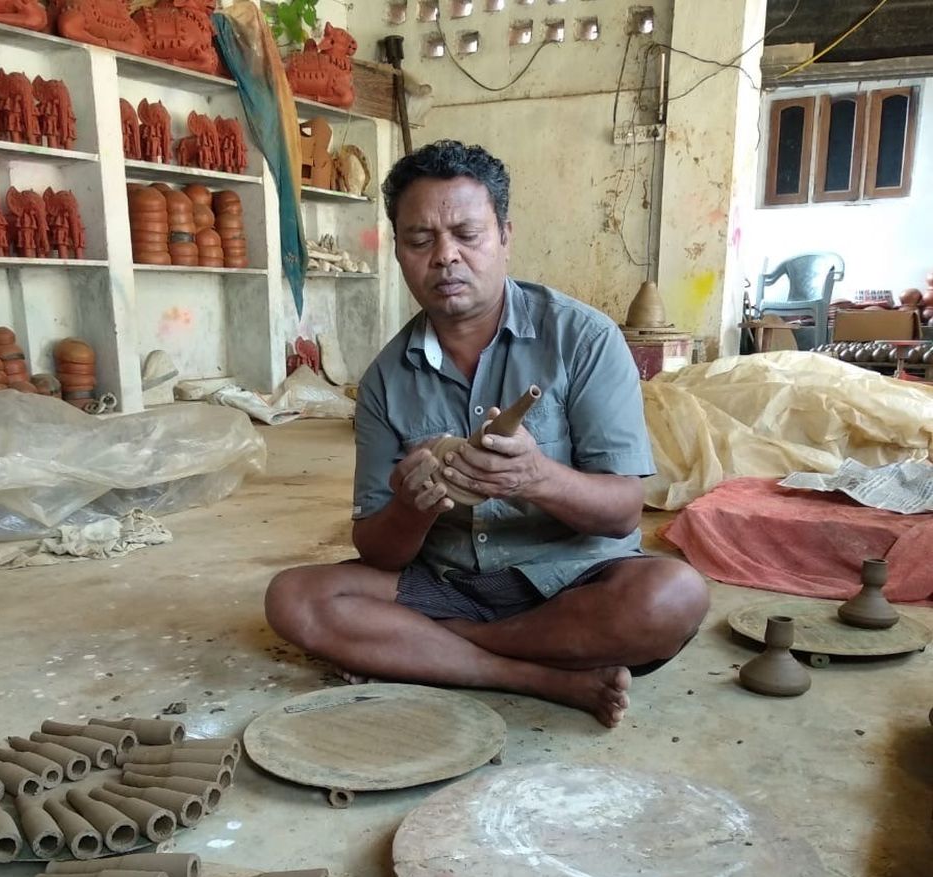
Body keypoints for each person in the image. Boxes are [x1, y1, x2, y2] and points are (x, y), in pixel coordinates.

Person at [266, 140, 708, 727]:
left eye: (467, 235)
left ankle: (437, 649)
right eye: (420, 240)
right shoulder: (384, 381)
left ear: (504, 235)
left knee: (673, 596)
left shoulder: (583, 340)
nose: (445, 257)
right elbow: (376, 549)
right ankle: (539, 676)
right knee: (292, 600)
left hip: (574, 581)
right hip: (450, 582)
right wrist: (411, 505)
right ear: (398, 251)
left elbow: (623, 512)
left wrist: (535, 477)